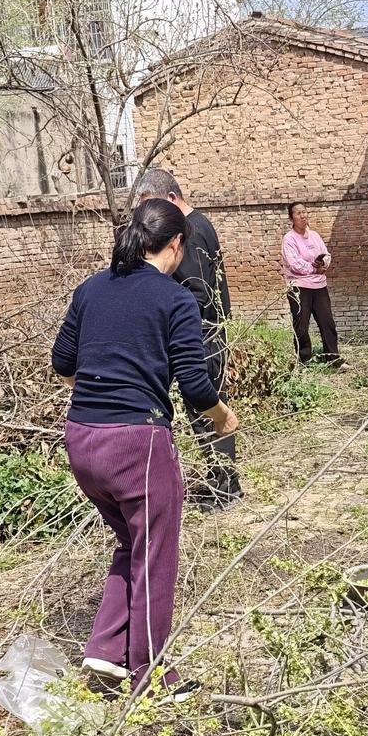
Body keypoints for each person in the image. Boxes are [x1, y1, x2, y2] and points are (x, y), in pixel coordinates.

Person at [51, 198, 239, 696]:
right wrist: (224, 418)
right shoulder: (174, 299)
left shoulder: (91, 288)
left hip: (83, 439)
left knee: (133, 544)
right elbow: (196, 388)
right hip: (139, 445)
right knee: (155, 555)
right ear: (175, 244)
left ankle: (107, 650)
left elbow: (62, 363)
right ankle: (150, 674)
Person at [130, 166, 241, 510]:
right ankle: (219, 478)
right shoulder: (198, 224)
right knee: (202, 410)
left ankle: (226, 485)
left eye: (155, 205)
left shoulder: (188, 232)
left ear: (173, 198)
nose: (152, 218)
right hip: (208, 332)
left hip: (201, 335)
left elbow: (196, 293)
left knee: (207, 405)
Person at [281, 201, 341, 367]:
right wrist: (313, 269)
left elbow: (326, 255)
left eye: (304, 212)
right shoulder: (289, 239)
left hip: (319, 286)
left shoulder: (314, 235)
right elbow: (294, 263)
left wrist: (324, 265)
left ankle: (334, 359)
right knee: (301, 326)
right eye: (298, 213)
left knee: (327, 322)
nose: (302, 216)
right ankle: (304, 361)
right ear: (291, 218)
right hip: (299, 287)